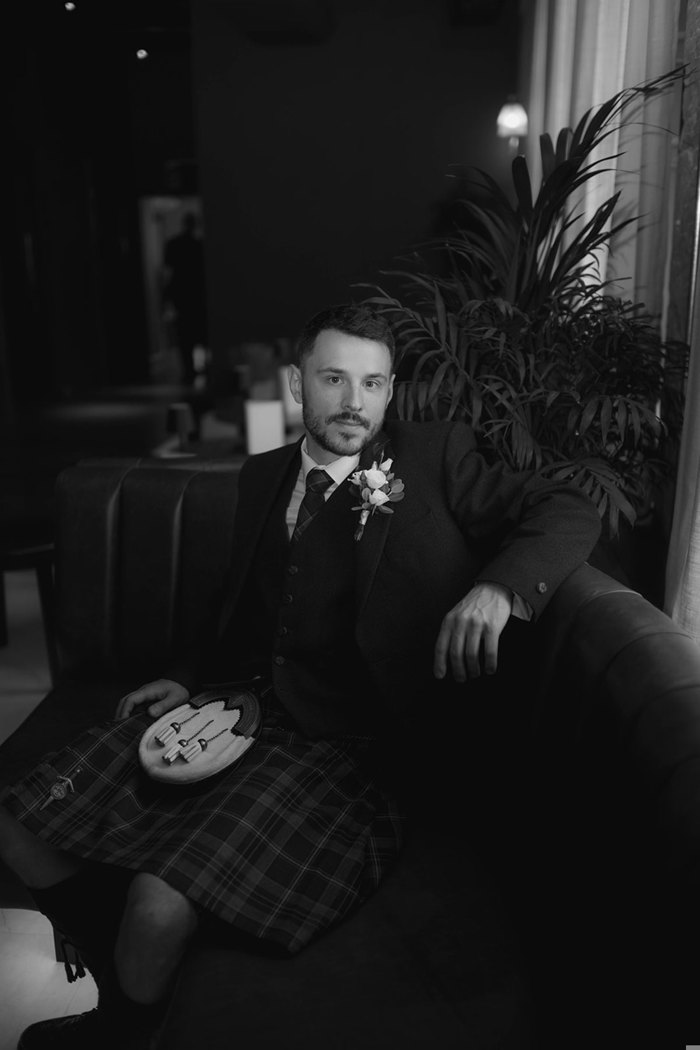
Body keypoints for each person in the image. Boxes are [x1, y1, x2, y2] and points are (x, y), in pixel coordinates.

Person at [0, 303, 602, 1049]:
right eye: (335, 378)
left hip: (347, 750)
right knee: (20, 821)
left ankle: (123, 1026)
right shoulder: (261, 478)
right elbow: (238, 608)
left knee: (157, 905)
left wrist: (501, 589)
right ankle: (114, 969)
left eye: (374, 383)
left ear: (390, 391)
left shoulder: (435, 456)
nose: (356, 402)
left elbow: (569, 504)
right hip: (236, 711)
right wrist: (186, 679)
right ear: (297, 385)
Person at [161, 212, 207, 386]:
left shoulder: (176, 245)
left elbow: (169, 274)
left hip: (185, 297)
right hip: (193, 296)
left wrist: (166, 297)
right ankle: (195, 368)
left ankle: (190, 369)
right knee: (194, 334)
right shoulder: (196, 245)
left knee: (187, 337)